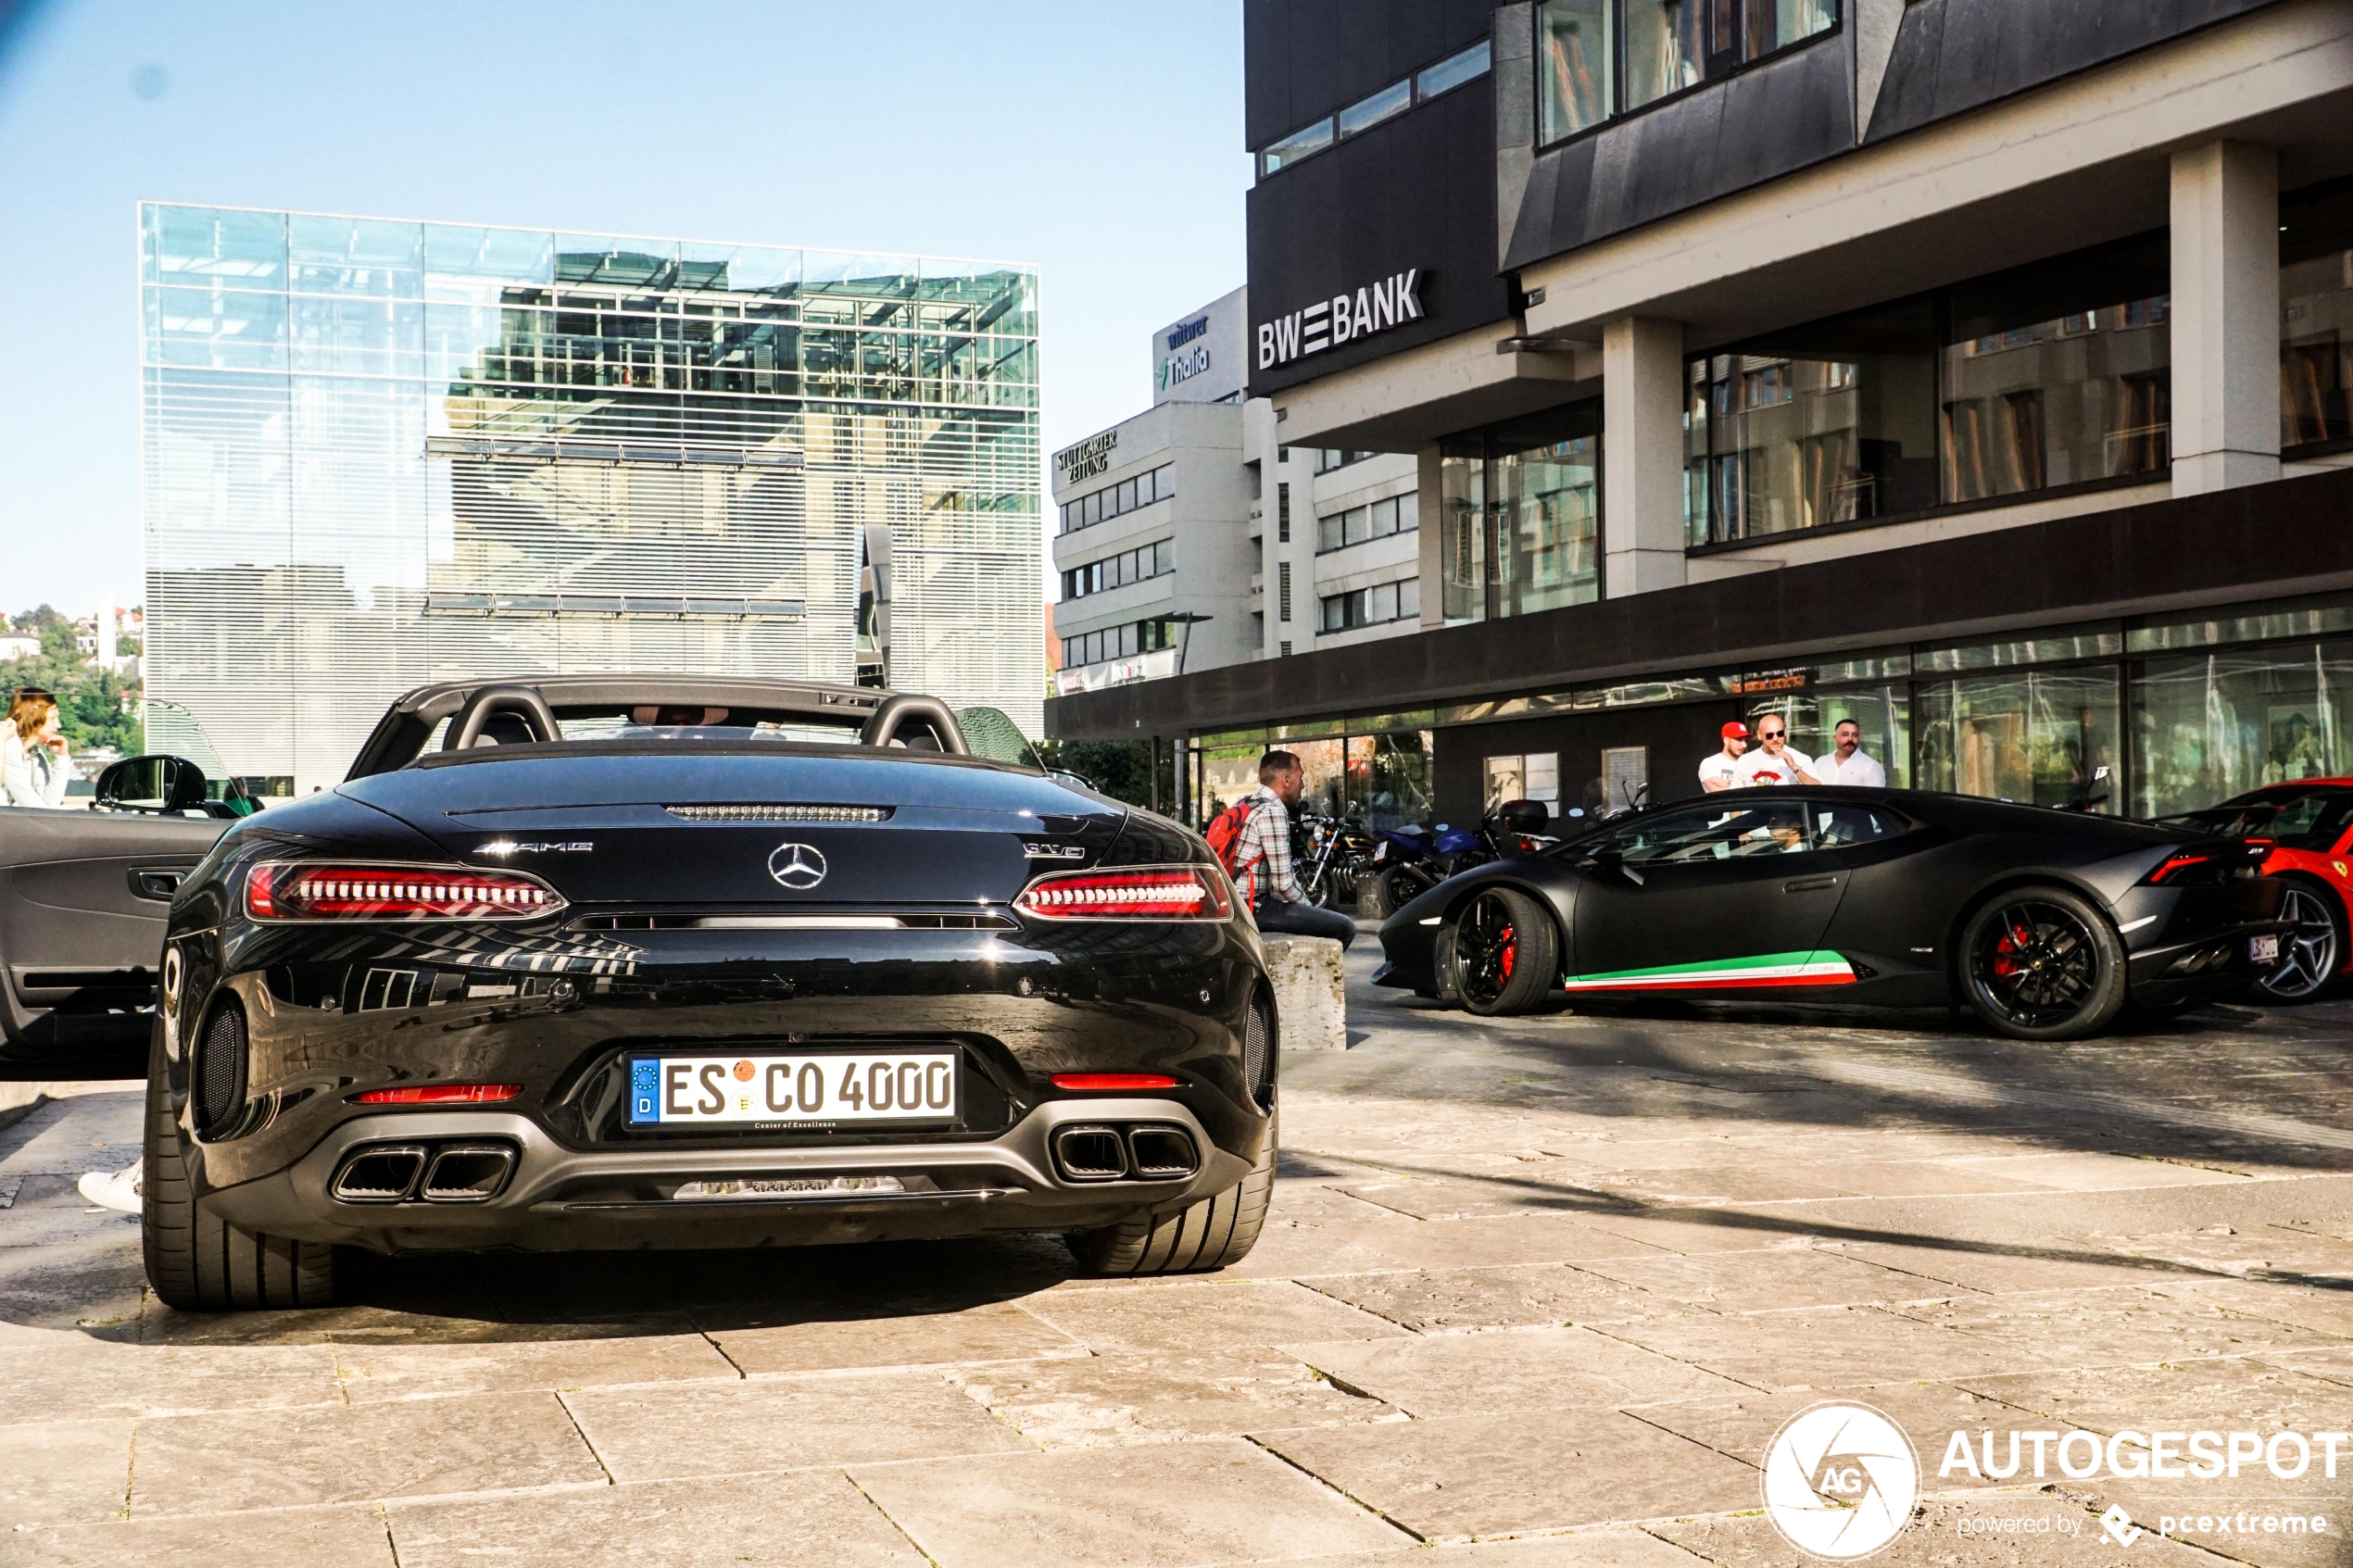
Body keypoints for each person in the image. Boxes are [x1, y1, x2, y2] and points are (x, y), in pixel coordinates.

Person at [1230, 749, 1355, 949]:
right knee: (1345, 927)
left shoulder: (1246, 802)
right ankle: (1316, 979)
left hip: (1235, 902)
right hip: (1253, 907)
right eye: (1301, 777)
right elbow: (1284, 884)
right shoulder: (1272, 811)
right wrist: (1309, 910)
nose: (1303, 785)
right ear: (1286, 780)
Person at [3, 690, 69, 809]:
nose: (58, 725)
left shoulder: (36, 755)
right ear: (34, 716)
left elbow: (50, 802)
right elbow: (29, 802)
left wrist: (62, 757)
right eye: (53, 718)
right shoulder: (7, 745)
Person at [1735, 714, 1816, 787]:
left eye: (1780, 733)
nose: (1775, 739)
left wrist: (1795, 768)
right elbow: (1735, 795)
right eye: (1769, 735)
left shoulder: (1799, 758)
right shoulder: (1744, 761)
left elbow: (1817, 790)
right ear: (1759, 735)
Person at [1809, 718, 1888, 787]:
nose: (1850, 739)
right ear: (1835, 738)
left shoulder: (1871, 766)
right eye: (1845, 735)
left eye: (1855, 735)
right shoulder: (1820, 763)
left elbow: (1875, 800)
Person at [1698, 721, 1748, 792]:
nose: (1744, 745)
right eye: (1739, 740)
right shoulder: (1710, 763)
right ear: (1726, 740)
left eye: (1745, 741)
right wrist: (1743, 786)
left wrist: (1728, 785)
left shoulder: (1749, 763)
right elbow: (1719, 793)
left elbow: (1754, 791)